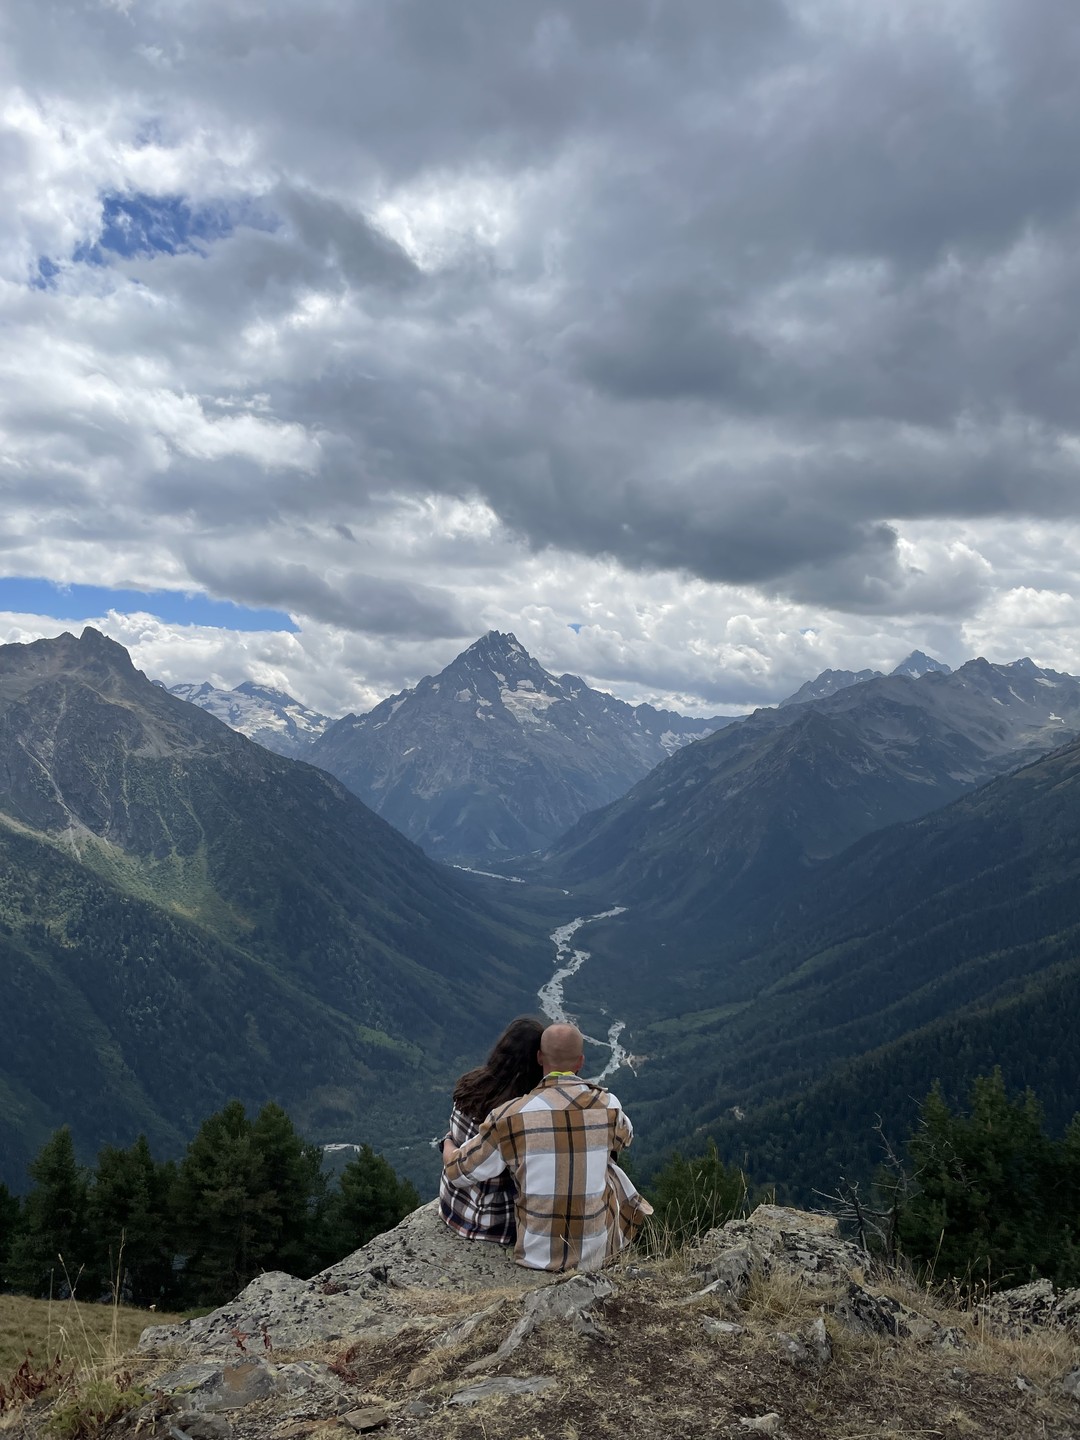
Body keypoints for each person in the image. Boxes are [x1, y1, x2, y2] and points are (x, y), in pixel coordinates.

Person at [443, 1022, 652, 1271]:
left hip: (536, 1257)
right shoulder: (609, 1106)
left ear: (541, 1058)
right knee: (608, 1164)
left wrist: (447, 1142)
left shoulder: (511, 1116)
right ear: (580, 1062)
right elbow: (625, 1138)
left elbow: (457, 1172)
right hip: (596, 1253)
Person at [438, 1015, 545, 1246]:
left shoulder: (468, 1085)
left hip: (452, 1207)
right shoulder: (519, 1113)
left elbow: (455, 1150)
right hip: (493, 1224)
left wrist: (447, 1142)